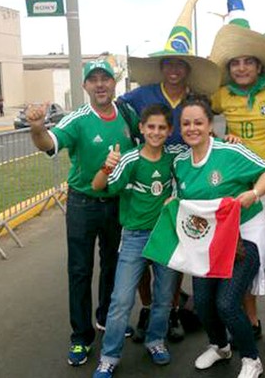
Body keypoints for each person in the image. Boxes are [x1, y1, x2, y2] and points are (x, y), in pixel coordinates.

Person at [118, 0, 221, 343]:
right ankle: (148, 309)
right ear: (161, 67)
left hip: (185, 179)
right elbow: (115, 116)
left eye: (181, 65)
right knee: (144, 250)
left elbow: (212, 127)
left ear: (187, 69)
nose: (174, 70)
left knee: (176, 248)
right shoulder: (139, 95)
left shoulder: (197, 100)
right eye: (169, 64)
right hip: (147, 179)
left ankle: (172, 307)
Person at [25, 59, 138, 367]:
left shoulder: (128, 114)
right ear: (85, 86)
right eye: (94, 80)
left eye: (105, 78)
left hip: (117, 203)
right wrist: (37, 127)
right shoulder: (77, 120)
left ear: (114, 83)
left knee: (113, 265)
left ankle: (105, 318)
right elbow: (49, 142)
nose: (100, 84)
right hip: (83, 204)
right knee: (80, 270)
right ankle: (81, 337)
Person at [208, 0, 265, 352]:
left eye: (248, 62)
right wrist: (216, 135)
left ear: (259, 66)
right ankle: (252, 322)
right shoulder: (222, 95)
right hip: (239, 195)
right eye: (235, 62)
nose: (241, 68)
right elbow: (194, 109)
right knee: (244, 262)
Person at [174, 95, 265, 378]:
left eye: (198, 122)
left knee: (227, 303)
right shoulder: (180, 162)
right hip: (208, 241)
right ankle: (220, 346)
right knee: (204, 303)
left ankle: (252, 359)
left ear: (210, 125)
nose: (192, 128)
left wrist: (254, 193)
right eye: (186, 123)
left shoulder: (229, 152)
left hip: (246, 235)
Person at [90, 104, 180, 378]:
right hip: (134, 237)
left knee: (164, 297)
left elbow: (204, 151)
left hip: (165, 236)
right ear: (141, 128)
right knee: (121, 300)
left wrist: (229, 138)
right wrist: (107, 166)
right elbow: (97, 186)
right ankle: (109, 356)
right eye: (150, 127)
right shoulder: (129, 160)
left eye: (162, 127)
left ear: (170, 131)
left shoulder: (175, 157)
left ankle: (155, 340)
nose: (156, 132)